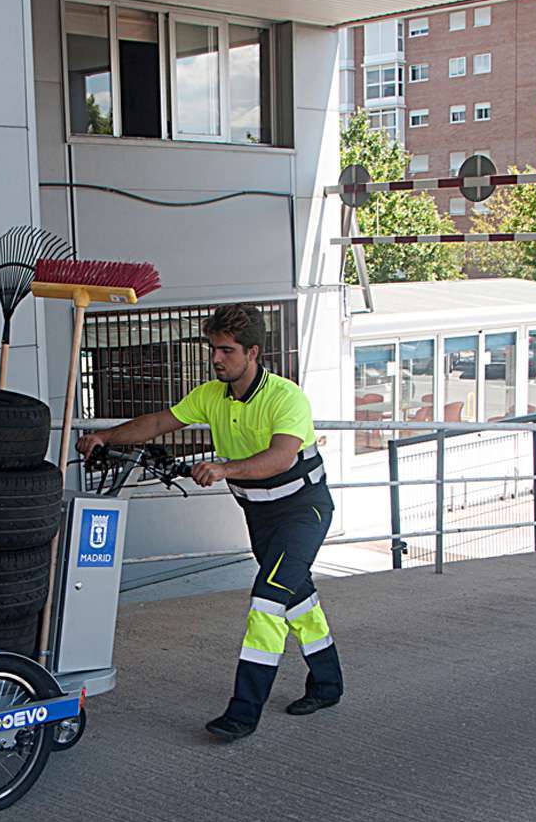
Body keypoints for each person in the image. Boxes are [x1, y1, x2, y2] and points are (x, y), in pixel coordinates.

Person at [76, 304, 344, 741]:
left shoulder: (285, 396)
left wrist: (224, 468)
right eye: (212, 349)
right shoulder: (210, 396)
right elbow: (159, 422)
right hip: (259, 513)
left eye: (226, 350)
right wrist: (107, 436)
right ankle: (328, 684)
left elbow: (280, 456)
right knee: (297, 598)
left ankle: (242, 713)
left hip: (303, 511)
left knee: (267, 602)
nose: (216, 359)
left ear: (252, 352)